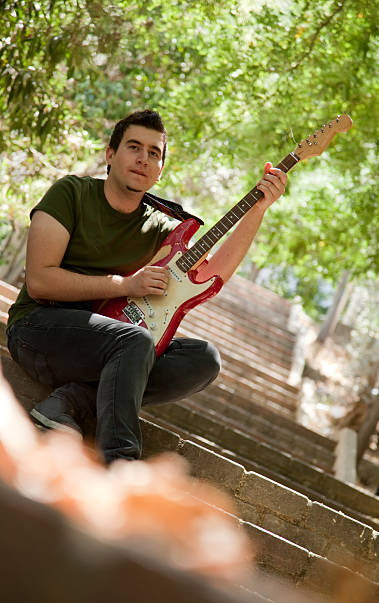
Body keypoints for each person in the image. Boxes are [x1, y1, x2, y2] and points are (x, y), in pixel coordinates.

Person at [6, 110, 287, 464]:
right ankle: (122, 461)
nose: (143, 158)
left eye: (154, 153)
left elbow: (211, 275)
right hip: (38, 330)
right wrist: (126, 284)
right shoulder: (71, 193)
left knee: (203, 359)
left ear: (160, 169)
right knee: (134, 340)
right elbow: (41, 280)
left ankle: (68, 402)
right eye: (134, 147)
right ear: (111, 154)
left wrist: (258, 210)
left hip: (109, 347)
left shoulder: (164, 230)